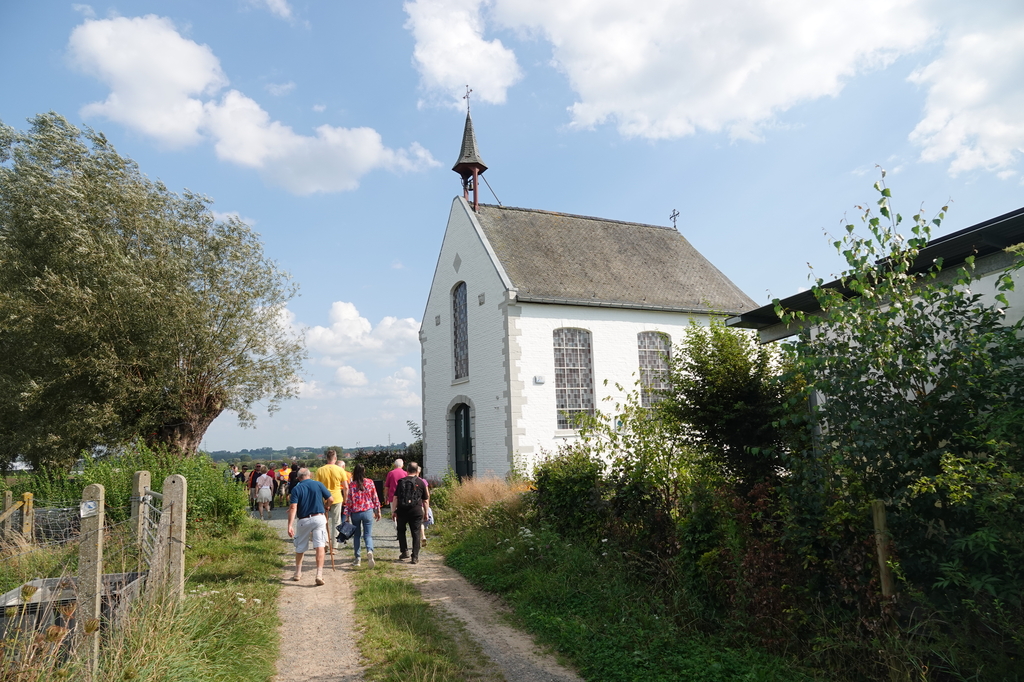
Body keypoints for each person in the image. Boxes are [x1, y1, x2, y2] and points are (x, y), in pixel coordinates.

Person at [286, 468, 334, 586]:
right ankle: (319, 574)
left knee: (300, 546)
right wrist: (327, 506)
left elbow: (293, 508)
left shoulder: (296, 488)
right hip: (319, 517)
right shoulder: (318, 484)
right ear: (310, 475)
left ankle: (297, 573)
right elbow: (331, 499)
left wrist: (290, 525)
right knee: (320, 546)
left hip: (304, 520)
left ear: (298, 478)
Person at [343, 464, 381, 567]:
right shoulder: (370, 482)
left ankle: (357, 558)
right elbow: (375, 497)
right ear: (364, 471)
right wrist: (378, 511)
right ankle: (369, 550)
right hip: (368, 511)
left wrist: (346, 515)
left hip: (355, 513)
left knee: (357, 536)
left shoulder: (352, 485)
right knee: (368, 534)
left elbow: (349, 501)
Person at [394, 462, 430, 564]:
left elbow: (395, 497)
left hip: (402, 510)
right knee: (415, 532)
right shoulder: (421, 482)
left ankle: (404, 551)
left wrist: (394, 511)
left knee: (401, 531)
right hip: (416, 510)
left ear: (407, 470)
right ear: (417, 470)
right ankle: (415, 557)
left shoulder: (401, 482)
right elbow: (425, 500)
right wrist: (426, 513)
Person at [314, 450, 348, 554]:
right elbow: (346, 487)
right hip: (337, 498)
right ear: (335, 458)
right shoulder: (340, 470)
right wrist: (345, 500)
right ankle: (334, 546)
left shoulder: (320, 470)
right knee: (336, 522)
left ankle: (324, 543)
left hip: (324, 498)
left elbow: (317, 487)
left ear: (326, 458)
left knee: (323, 522)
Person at [383, 459, 407, 525]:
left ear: (394, 465)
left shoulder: (391, 473)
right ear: (402, 465)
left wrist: (385, 496)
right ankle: (402, 526)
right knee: (402, 513)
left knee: (394, 512)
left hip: (392, 496)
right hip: (404, 497)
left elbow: (387, 486)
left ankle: (396, 527)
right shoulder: (405, 473)